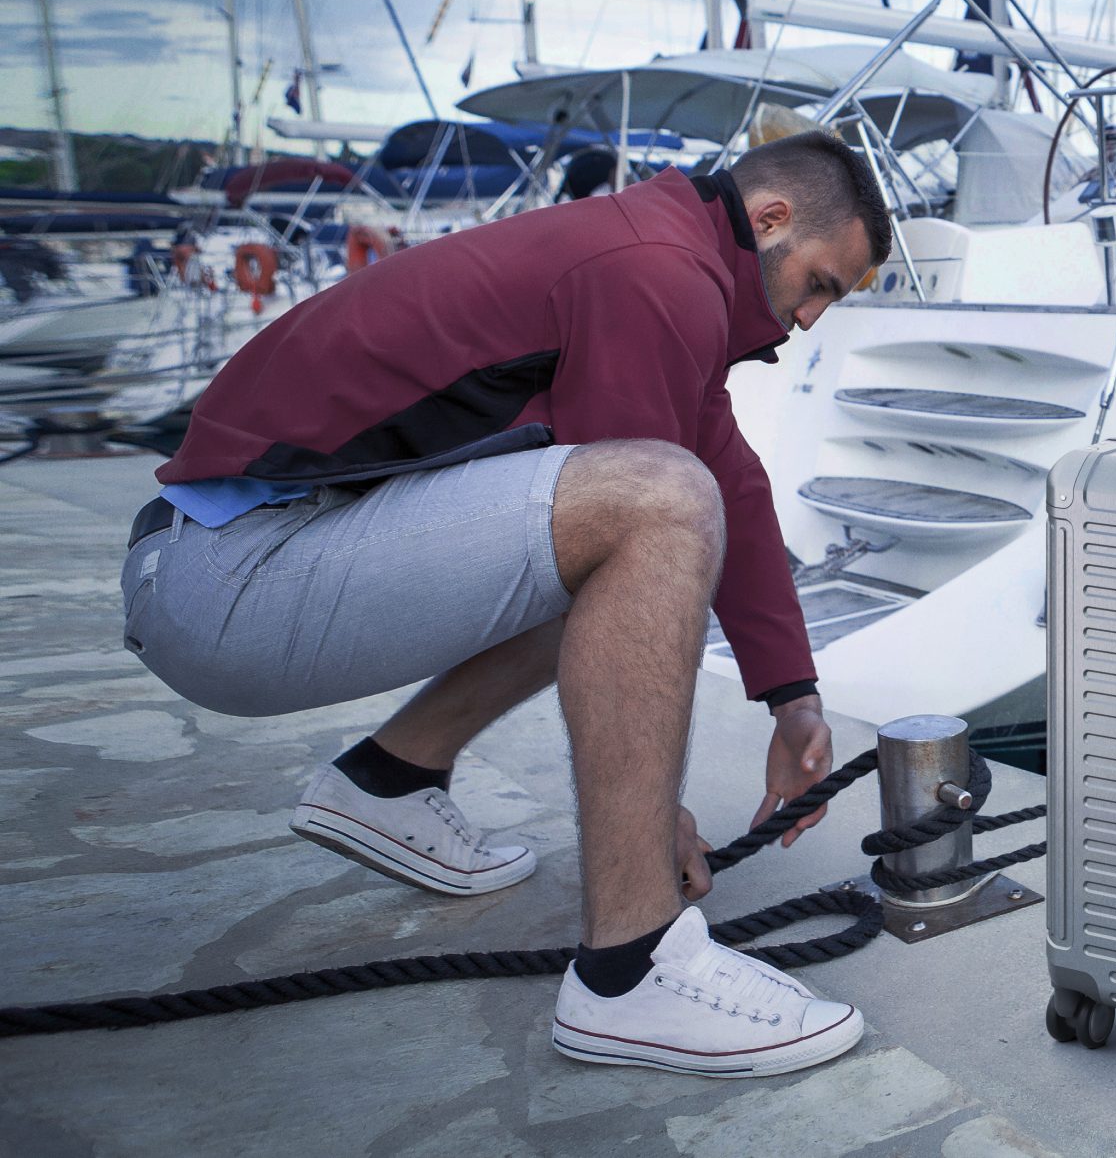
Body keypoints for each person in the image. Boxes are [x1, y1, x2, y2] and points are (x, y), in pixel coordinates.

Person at [120, 133, 891, 1079]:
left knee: (642, 510)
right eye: (819, 284)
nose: (810, 319)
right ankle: (631, 969)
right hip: (231, 574)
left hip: (218, 562)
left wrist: (792, 696)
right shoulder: (655, 270)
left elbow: (733, 481)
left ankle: (389, 778)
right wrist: (657, 819)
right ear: (770, 220)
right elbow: (659, 512)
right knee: (656, 506)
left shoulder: (660, 252)